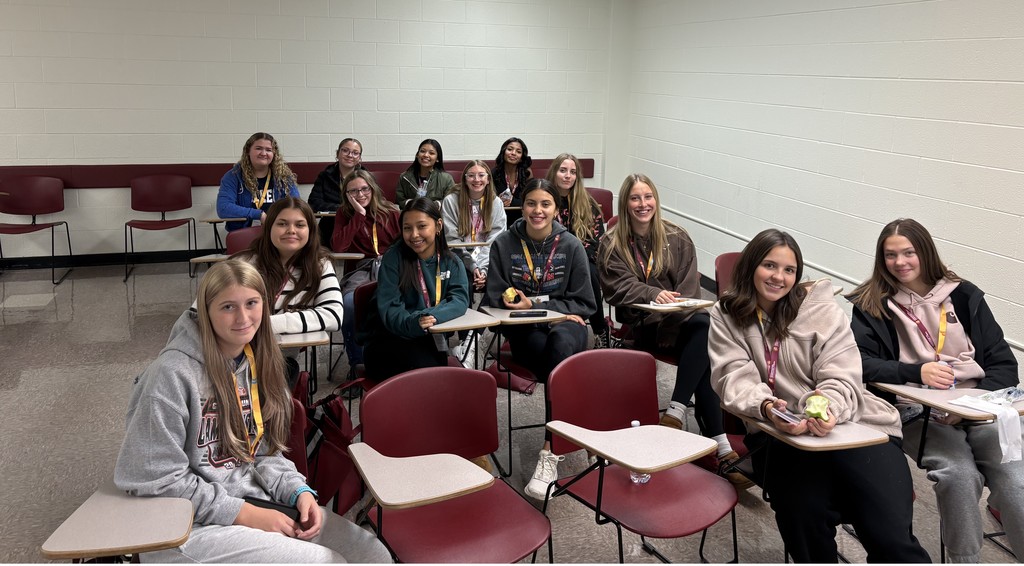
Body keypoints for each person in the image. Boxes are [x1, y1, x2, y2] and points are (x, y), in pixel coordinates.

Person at [113, 260, 389, 563]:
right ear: (205, 312)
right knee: (325, 562)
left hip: (250, 500)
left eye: (252, 303)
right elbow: (154, 479)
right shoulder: (171, 375)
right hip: (187, 525)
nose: (243, 317)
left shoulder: (254, 361)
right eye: (228, 307)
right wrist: (245, 514)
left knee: (370, 554)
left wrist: (297, 490)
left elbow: (263, 452)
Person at [708, 229, 930, 564]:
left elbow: (842, 373)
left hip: (857, 428)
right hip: (782, 438)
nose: (778, 277)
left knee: (891, 538)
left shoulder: (822, 310)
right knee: (805, 522)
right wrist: (769, 408)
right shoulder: (726, 315)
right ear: (751, 266)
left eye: (789, 270)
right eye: (769, 265)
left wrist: (828, 406)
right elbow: (732, 378)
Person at [847, 218, 1023, 563]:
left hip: (979, 407)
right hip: (917, 412)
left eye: (909, 252)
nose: (900, 262)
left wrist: (970, 403)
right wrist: (916, 371)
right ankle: (964, 560)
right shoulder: (872, 302)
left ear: (925, 252)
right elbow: (860, 363)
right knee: (958, 475)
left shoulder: (965, 296)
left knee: (1016, 480)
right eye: (890, 255)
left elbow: (1005, 366)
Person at [597, 174, 746, 487]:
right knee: (706, 349)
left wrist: (673, 317)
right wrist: (653, 295)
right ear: (625, 203)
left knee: (705, 325)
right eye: (635, 198)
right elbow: (617, 288)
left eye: (648, 197)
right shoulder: (611, 243)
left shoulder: (677, 236)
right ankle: (722, 449)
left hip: (680, 325)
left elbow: (690, 289)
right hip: (641, 326)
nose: (643, 204)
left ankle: (675, 413)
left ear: (656, 200)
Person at [486, 178, 596, 500]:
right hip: (524, 329)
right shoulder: (504, 244)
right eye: (532, 203)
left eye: (545, 204)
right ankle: (581, 426)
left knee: (560, 343)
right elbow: (493, 298)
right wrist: (515, 307)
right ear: (523, 206)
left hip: (566, 324)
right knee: (556, 360)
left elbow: (586, 304)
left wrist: (536, 303)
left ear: (556, 209)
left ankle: (550, 452)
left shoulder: (571, 245)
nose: (538, 210)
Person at [232, 197, 343, 387]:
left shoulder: (320, 265)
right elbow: (204, 310)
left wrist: (267, 324)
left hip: (280, 359)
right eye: (282, 224)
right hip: (235, 353)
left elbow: (334, 315)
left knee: (276, 383)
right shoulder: (246, 263)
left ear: (310, 230)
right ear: (269, 228)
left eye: (300, 225)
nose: (291, 230)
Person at [362, 197, 470, 380]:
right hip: (388, 342)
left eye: (421, 226)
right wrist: (415, 322)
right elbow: (390, 309)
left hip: (428, 339)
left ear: (438, 226)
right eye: (407, 228)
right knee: (430, 377)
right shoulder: (393, 259)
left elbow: (459, 300)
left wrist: (430, 316)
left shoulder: (452, 261)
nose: (414, 235)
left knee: (439, 377)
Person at [330, 170, 401, 370]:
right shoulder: (344, 214)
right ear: (346, 195)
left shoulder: (391, 212)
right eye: (353, 192)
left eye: (364, 189)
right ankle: (358, 363)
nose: (360, 195)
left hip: (390, 267)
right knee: (350, 304)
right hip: (361, 270)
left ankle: (396, 359)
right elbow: (338, 247)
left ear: (372, 188)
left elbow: (404, 246)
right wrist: (359, 216)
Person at [545, 153, 608, 347]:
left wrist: (575, 257)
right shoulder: (544, 200)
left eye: (572, 172)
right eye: (563, 170)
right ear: (554, 172)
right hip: (548, 258)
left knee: (589, 272)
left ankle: (600, 329)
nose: (567, 176)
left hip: (582, 259)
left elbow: (596, 241)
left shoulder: (588, 204)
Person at [441, 160, 507, 292]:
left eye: (481, 175)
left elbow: (495, 240)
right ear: (465, 180)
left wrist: (483, 268)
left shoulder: (496, 203)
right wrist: (473, 266)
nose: (476, 179)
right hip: (458, 256)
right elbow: (452, 240)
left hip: (488, 257)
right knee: (465, 283)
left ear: (488, 179)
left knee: (498, 283)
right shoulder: (451, 201)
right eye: (471, 175)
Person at [217, 132, 299, 232]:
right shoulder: (233, 176)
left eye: (268, 150)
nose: (263, 153)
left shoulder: (284, 176)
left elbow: (296, 205)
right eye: (258, 148)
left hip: (277, 230)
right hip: (244, 232)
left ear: (274, 154)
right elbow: (223, 208)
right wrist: (259, 215)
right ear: (248, 151)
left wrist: (277, 219)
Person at [308, 138, 364, 246]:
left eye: (355, 153)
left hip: (359, 226)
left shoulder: (366, 177)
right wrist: (343, 208)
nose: (350, 155)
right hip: (330, 226)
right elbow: (314, 203)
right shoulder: (325, 176)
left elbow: (374, 203)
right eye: (345, 150)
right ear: (337, 153)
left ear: (359, 158)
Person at [396, 138, 454, 204]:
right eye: (422, 151)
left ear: (437, 159)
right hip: (412, 212)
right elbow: (399, 201)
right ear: (417, 155)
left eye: (431, 153)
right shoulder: (405, 177)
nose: (426, 155)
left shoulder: (446, 179)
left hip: (435, 213)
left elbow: (450, 203)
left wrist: (435, 205)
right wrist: (411, 204)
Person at [491, 137, 532, 207]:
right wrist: (498, 201)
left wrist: (513, 201)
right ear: (503, 152)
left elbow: (531, 199)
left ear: (521, 158)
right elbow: (489, 198)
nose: (513, 153)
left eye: (518, 151)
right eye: (510, 149)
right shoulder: (494, 173)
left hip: (521, 214)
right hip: (501, 213)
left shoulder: (526, 172)